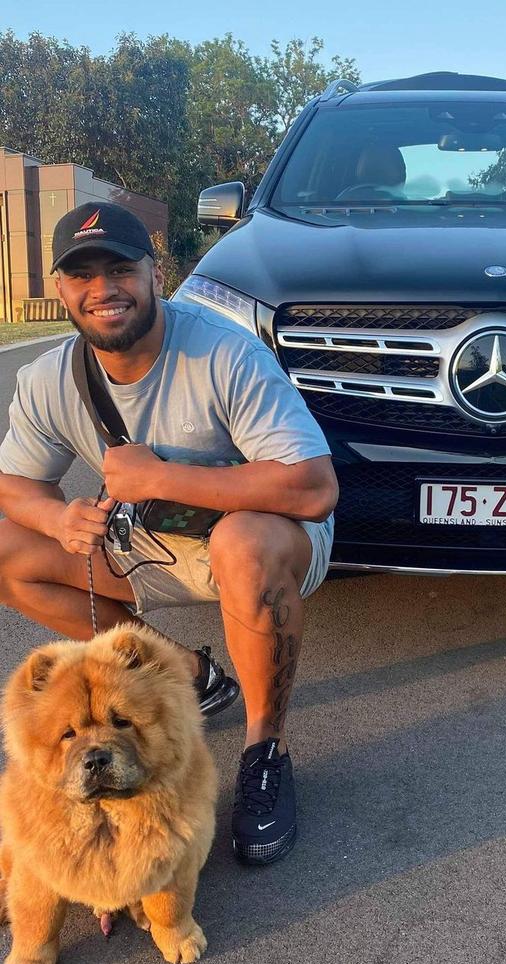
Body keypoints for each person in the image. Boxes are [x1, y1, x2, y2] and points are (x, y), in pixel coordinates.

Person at [0, 201, 338, 866]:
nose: (104, 290)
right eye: (83, 275)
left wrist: (160, 478)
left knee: (242, 543)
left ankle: (265, 749)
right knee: (7, 552)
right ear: (61, 290)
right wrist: (58, 518)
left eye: (121, 269)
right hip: (148, 546)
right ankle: (188, 673)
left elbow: (313, 487)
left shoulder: (223, 352)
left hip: (264, 541)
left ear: (156, 274)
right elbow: (14, 486)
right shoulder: (49, 379)